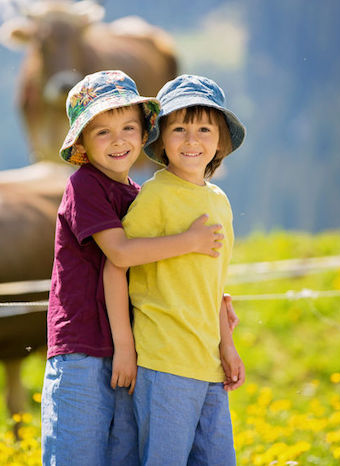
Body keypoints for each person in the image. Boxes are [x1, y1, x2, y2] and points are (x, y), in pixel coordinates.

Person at [41, 70, 228, 466]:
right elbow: (121, 255)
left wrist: (210, 300)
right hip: (82, 347)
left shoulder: (138, 195)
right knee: (77, 453)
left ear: (145, 135)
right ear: (82, 144)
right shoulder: (85, 186)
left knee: (119, 455)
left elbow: (153, 268)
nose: (119, 139)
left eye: (128, 127)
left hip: (133, 349)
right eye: (102, 132)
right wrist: (191, 242)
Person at [104, 74, 247, 465]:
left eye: (204, 128)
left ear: (220, 140)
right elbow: (117, 263)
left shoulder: (219, 201)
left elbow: (212, 285)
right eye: (179, 128)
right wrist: (125, 346)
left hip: (208, 364)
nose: (191, 140)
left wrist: (227, 346)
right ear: (161, 138)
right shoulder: (156, 196)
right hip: (164, 362)